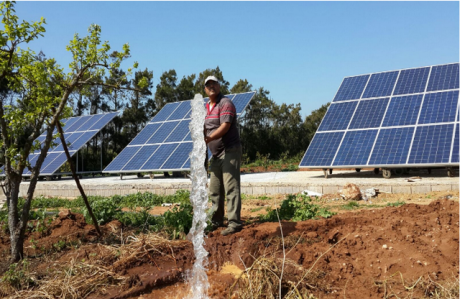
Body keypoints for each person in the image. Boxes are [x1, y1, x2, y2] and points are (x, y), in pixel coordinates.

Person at [204, 75, 243, 236]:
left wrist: (208, 138)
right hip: (216, 154)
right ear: (205, 89)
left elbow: (225, 126)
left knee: (231, 187)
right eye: (208, 85)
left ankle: (234, 223)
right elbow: (203, 129)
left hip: (229, 150)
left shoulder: (225, 103)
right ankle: (217, 220)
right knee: (215, 189)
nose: (211, 86)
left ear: (219, 86)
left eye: (214, 83)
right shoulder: (206, 107)